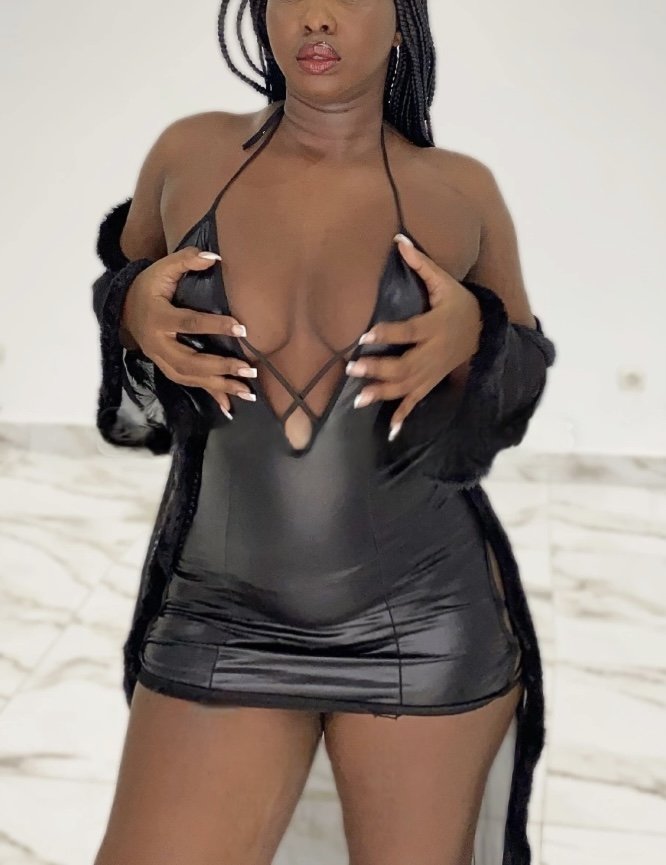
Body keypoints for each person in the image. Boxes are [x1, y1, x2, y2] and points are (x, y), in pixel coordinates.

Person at [90, 1, 556, 863]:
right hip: (220, 611)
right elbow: (127, 269)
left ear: (402, 19)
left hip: (422, 616)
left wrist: (479, 333)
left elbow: (516, 390)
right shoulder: (190, 154)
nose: (316, 16)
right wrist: (129, 309)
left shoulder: (460, 189)